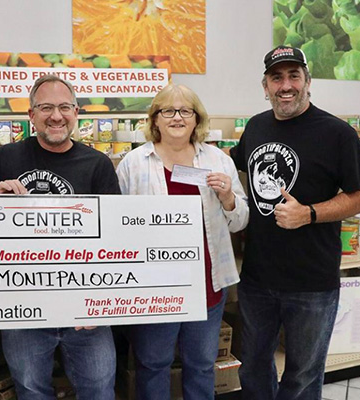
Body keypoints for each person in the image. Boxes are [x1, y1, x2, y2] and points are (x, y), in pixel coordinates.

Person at [230, 46, 360, 400]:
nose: (286, 85)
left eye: (294, 76)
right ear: (265, 86)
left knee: (303, 375)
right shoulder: (256, 126)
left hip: (312, 282)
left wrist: (308, 213)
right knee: (252, 364)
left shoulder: (337, 133)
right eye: (277, 77)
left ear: (308, 82)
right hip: (257, 278)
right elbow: (233, 167)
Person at [0, 74, 119, 400]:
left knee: (100, 391)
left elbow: (115, 237)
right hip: (22, 309)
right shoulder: (4, 159)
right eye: (46, 107)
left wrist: (103, 302)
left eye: (64, 107)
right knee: (32, 392)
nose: (56, 115)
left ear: (76, 112)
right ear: (31, 115)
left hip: (85, 309)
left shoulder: (98, 164)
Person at [116, 83, 249, 399]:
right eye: (168, 110)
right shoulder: (133, 164)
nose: (177, 117)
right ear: (155, 119)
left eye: (185, 111)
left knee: (201, 365)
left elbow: (242, 220)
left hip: (207, 284)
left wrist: (229, 197)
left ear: (196, 118)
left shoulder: (217, 160)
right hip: (154, 287)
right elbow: (116, 225)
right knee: (152, 364)